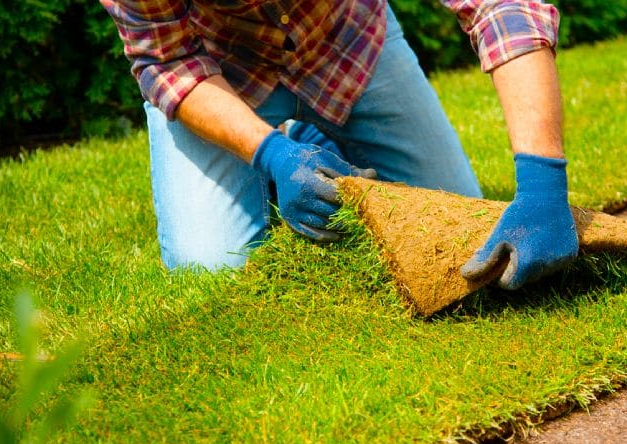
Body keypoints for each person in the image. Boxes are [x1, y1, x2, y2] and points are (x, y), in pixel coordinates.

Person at [101, 0, 579, 290]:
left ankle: (317, 140)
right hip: (222, 71)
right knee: (209, 269)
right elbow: (170, 61)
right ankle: (285, 148)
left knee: (462, 234)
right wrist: (271, 155)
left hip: (345, 39)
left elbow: (501, 7)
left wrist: (542, 182)